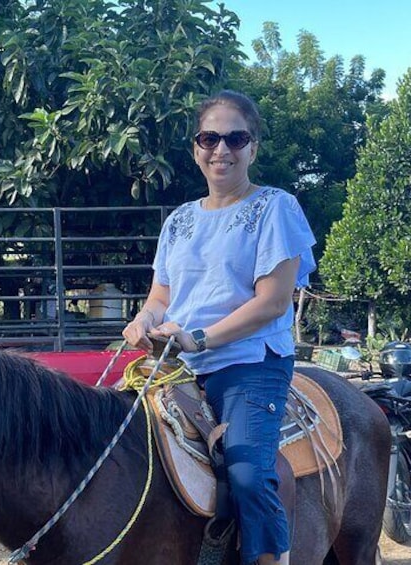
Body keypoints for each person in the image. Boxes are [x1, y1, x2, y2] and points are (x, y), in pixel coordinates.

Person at [122, 90, 316, 565]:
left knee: (250, 475)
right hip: (175, 366)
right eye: (210, 138)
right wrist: (143, 320)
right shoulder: (179, 221)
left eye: (236, 138)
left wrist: (199, 338)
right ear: (196, 147)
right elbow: (161, 297)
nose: (221, 150)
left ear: (254, 148)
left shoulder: (276, 208)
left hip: (248, 363)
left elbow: (271, 303)